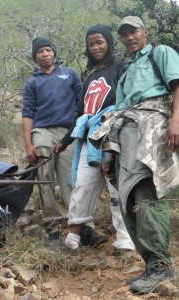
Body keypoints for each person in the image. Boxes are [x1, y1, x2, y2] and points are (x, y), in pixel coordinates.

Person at [89, 16, 179, 294]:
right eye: (125, 33)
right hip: (125, 132)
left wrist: (176, 122)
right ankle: (152, 264)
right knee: (127, 199)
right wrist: (110, 154)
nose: (129, 37)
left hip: (151, 125)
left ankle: (162, 266)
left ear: (145, 32)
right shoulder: (127, 71)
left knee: (146, 194)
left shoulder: (160, 52)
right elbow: (121, 112)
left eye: (134, 31)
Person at [51, 25, 135, 252]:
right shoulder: (89, 77)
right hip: (89, 138)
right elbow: (80, 115)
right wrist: (64, 141)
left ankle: (126, 240)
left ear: (109, 42)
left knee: (117, 186)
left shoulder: (121, 69)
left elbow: (127, 102)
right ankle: (73, 239)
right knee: (83, 186)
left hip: (113, 134)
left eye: (100, 42)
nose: (96, 47)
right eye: (91, 44)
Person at [22, 37, 82, 240]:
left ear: (55, 53)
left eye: (48, 50)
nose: (45, 54)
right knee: (44, 178)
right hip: (42, 132)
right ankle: (53, 224)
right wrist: (28, 144)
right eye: (40, 51)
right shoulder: (32, 82)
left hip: (67, 133)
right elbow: (28, 113)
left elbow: (82, 103)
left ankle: (79, 223)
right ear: (35, 57)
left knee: (70, 178)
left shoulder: (70, 74)